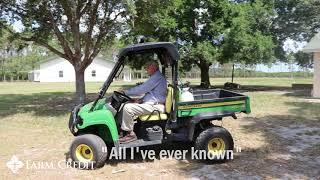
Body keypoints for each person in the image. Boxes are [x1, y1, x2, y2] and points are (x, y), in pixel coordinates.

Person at [118, 61, 167, 143]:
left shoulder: (157, 77)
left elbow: (143, 89)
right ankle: (123, 130)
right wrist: (141, 100)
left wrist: (125, 92)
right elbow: (151, 94)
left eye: (148, 67)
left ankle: (130, 134)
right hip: (152, 104)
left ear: (153, 67)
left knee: (128, 108)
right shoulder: (155, 77)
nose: (146, 69)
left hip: (156, 106)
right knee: (127, 103)